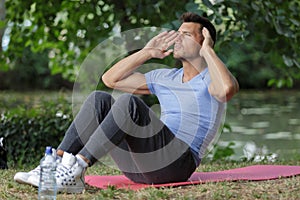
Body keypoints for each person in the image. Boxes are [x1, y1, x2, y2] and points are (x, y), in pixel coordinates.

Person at [14, 12, 239, 193]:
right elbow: (110, 79)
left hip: (178, 165)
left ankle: (77, 168)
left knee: (129, 104)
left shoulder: (212, 77)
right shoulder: (165, 77)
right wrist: (146, 52)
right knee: (99, 99)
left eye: (187, 34)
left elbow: (227, 90)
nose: (177, 38)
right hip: (141, 167)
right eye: (177, 33)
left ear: (204, 40)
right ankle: (55, 163)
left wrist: (208, 50)